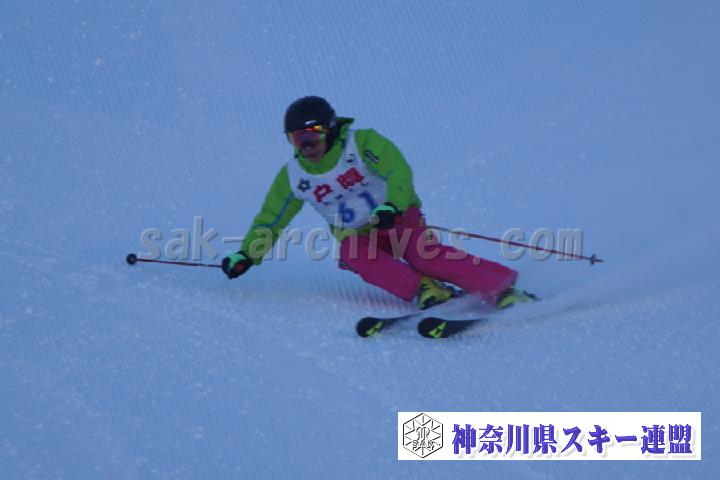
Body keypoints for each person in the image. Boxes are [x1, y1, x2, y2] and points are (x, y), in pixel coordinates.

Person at [221, 96, 535, 310]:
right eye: (296, 138)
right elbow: (271, 219)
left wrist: (393, 206)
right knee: (352, 253)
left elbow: (398, 170)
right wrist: (247, 254)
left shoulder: (362, 144)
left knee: (424, 255)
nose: (306, 146)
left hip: (396, 219)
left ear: (330, 128)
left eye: (312, 135)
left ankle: (502, 289)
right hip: (358, 236)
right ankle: (425, 289)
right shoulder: (293, 176)